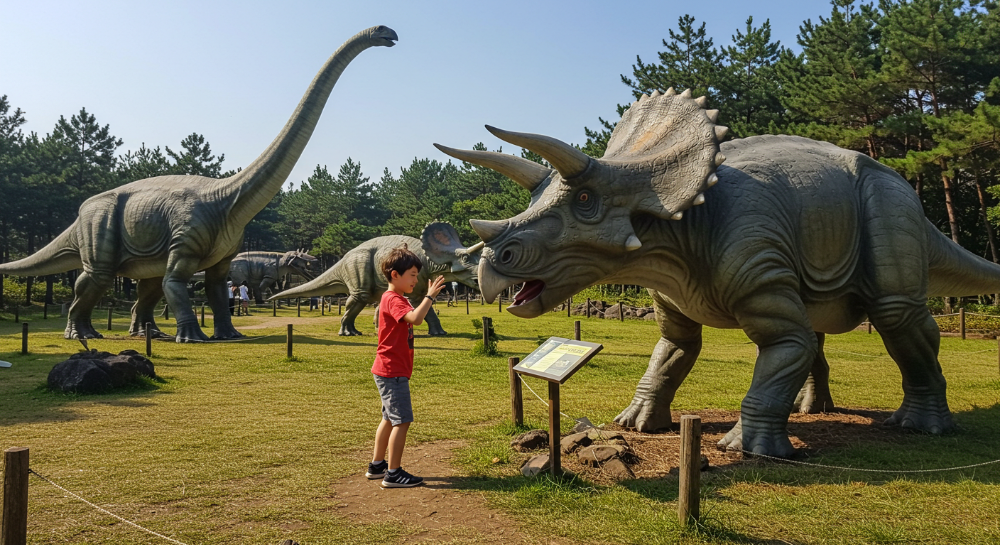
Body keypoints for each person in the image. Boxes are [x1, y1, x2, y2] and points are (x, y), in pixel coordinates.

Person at [366, 246, 446, 488]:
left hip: (389, 369)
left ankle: (377, 466)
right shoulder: (393, 299)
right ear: (394, 275)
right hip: (392, 371)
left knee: (389, 418)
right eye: (412, 275)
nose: (416, 280)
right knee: (402, 421)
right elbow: (416, 319)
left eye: (416, 275)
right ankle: (393, 473)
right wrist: (429, 297)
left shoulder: (395, 298)